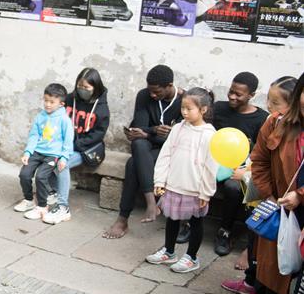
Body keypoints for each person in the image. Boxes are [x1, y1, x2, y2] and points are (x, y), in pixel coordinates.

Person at [222, 76, 297, 294]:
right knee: (257, 241)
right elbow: (259, 158)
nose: (270, 107)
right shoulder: (272, 122)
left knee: (275, 255)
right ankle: (251, 283)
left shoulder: (297, 132)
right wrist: (265, 191)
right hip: (265, 196)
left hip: (289, 202)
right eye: (270, 100)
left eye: (276, 102)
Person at [249, 72, 304, 294]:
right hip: (282, 209)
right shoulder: (276, 123)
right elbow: (259, 161)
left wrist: (301, 195)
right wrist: (270, 195)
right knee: (274, 271)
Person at [103, 65, 184, 239]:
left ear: (170, 85)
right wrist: (154, 131)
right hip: (147, 148)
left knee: (133, 163)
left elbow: (178, 140)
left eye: (157, 92)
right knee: (139, 144)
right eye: (150, 91)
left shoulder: (184, 101)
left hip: (170, 152)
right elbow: (139, 128)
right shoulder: (144, 95)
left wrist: (148, 134)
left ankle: (123, 218)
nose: (152, 95)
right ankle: (151, 201)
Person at [145, 88, 218, 273]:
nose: (184, 112)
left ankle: (191, 257)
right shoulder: (178, 128)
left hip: (194, 189)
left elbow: (211, 166)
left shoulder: (210, 135)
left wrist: (206, 192)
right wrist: (160, 181)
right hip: (174, 184)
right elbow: (166, 154)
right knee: (172, 219)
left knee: (196, 221)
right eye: (182, 108)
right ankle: (169, 252)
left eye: (189, 108)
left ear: (203, 110)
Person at [211, 72, 270, 258]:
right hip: (213, 163)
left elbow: (260, 153)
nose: (232, 97)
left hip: (241, 169)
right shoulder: (218, 108)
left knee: (233, 187)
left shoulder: (261, 118)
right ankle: (189, 222)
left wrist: (244, 171)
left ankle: (225, 232)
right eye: (231, 91)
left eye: (238, 94)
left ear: (251, 95)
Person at [49, 68, 111, 225]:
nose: (82, 90)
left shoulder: (102, 108)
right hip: (66, 145)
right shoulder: (70, 99)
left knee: (62, 164)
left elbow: (98, 135)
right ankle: (52, 193)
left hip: (86, 150)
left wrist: (74, 145)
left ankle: (63, 207)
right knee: (48, 157)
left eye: (86, 87)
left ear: (95, 87)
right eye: (80, 86)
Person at [14, 83, 74, 220]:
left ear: (61, 104)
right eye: (46, 100)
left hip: (53, 155)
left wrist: (64, 157)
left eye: (52, 102)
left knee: (41, 177)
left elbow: (68, 141)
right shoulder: (40, 116)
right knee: (24, 174)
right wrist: (28, 152)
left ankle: (42, 207)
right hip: (37, 152)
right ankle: (29, 200)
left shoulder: (64, 120)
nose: (47, 104)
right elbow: (34, 135)